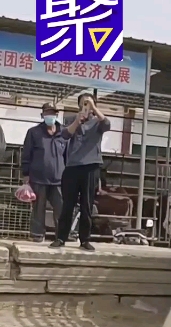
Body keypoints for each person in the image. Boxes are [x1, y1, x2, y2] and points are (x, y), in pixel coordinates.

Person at [52, 94, 109, 251]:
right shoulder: (72, 120)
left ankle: (84, 239)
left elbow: (107, 123)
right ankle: (61, 237)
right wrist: (78, 120)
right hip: (72, 167)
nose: (86, 106)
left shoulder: (98, 122)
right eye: (83, 103)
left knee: (87, 204)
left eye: (88, 103)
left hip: (90, 166)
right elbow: (64, 135)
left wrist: (94, 108)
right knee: (67, 204)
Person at [22, 103, 66, 242]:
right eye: (47, 113)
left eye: (52, 113)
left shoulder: (64, 133)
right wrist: (26, 174)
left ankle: (62, 235)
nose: (50, 116)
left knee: (62, 208)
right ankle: (37, 234)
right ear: (42, 115)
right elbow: (26, 154)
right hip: (38, 178)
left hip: (59, 179)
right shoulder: (33, 132)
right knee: (38, 209)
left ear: (57, 115)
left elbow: (68, 155)